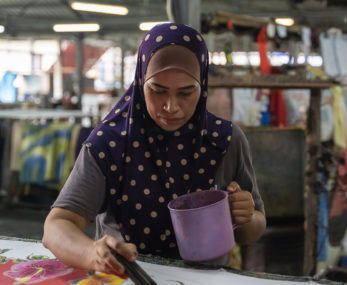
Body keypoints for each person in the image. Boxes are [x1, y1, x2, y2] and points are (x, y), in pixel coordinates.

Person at [43, 23, 266, 277]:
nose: (171, 106)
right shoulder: (110, 144)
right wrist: (92, 252)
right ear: (140, 81)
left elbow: (254, 229)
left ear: (202, 86)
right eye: (157, 90)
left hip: (206, 279)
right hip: (128, 277)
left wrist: (244, 215)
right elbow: (57, 225)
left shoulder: (224, 141)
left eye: (186, 93)